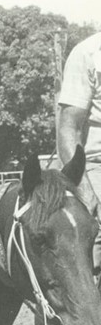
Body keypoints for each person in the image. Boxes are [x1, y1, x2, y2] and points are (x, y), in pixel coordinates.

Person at [57, 32, 101, 268]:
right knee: (90, 248)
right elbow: (69, 129)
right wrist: (85, 189)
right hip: (96, 166)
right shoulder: (88, 54)